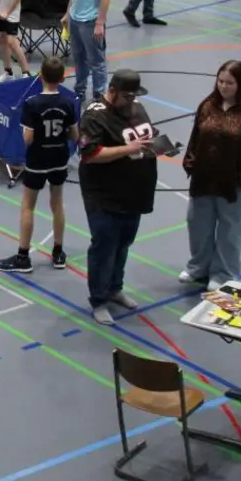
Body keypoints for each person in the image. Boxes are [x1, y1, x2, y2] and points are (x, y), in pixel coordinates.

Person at [181, 60, 241, 291]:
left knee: (230, 231)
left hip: (235, 184)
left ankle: (223, 275)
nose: (223, 86)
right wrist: (190, 162)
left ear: (240, 83)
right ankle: (198, 267)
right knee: (197, 224)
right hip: (203, 179)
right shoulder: (207, 105)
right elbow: (196, 136)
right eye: (220, 81)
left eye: (229, 82)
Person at [78, 69, 159, 325]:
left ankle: (115, 287)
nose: (130, 101)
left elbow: (146, 135)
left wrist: (158, 144)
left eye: (134, 96)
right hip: (104, 194)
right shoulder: (94, 115)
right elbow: (90, 154)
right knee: (104, 246)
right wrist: (128, 149)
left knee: (123, 243)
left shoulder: (136, 107)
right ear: (112, 91)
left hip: (134, 191)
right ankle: (99, 299)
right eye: (126, 96)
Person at [0, 56, 76, 273]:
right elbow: (74, 134)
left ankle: (22, 256)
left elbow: (28, 138)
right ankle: (58, 253)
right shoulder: (68, 103)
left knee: (28, 205)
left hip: (38, 159)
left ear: (41, 76)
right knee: (57, 203)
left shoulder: (33, 104)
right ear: (62, 78)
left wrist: (27, 131)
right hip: (59, 157)